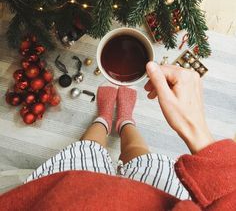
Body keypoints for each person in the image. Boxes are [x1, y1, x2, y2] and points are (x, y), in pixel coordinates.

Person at [0, 62, 235, 210]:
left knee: (87, 151)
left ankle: (103, 117)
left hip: (69, 198)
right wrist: (199, 134)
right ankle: (124, 120)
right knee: (142, 160)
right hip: (166, 199)